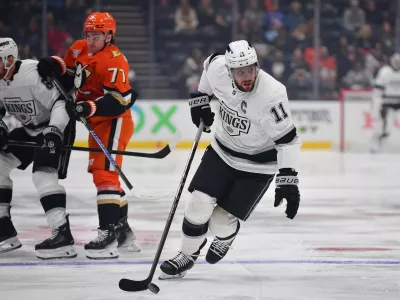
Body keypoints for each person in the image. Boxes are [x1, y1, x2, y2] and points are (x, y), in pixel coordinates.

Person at [159, 40, 302, 279]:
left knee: (219, 223)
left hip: (257, 166)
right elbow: (208, 65)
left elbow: (288, 140)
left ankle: (227, 234)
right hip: (222, 151)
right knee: (197, 205)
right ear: (229, 71)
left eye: (250, 69)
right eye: (239, 71)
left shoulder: (272, 95)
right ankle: (186, 255)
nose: (246, 76)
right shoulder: (218, 68)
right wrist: (200, 97)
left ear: (257, 66)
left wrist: (288, 179)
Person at [36, 12, 140, 259]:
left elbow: (122, 100)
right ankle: (123, 232)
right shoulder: (79, 48)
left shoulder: (114, 61)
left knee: (104, 176)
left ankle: (108, 236)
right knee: (104, 176)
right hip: (96, 123)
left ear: (109, 35)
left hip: (114, 122)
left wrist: (87, 107)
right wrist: (53, 64)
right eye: (89, 34)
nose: (92, 39)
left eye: (98, 35)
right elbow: (70, 75)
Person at [0, 37, 76, 259]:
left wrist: (55, 130)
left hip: (55, 128)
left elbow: (60, 103)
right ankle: (4, 231)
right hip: (30, 129)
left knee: (43, 175)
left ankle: (62, 234)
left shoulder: (32, 74)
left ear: (10, 59)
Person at [370, 53, 400, 152]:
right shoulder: (385, 72)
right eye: (395, 61)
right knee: (382, 127)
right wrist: (376, 103)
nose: (397, 64)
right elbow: (378, 90)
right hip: (387, 102)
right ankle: (375, 145)